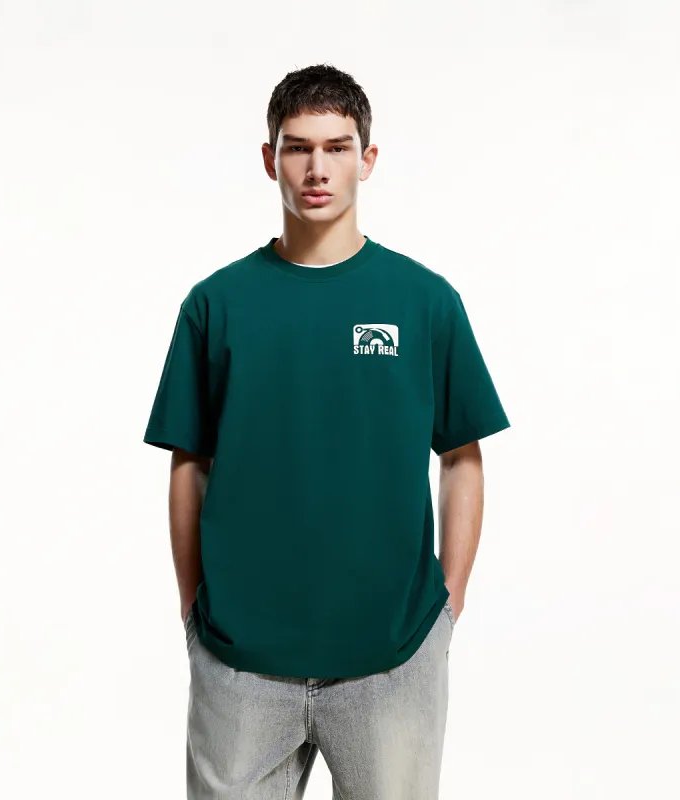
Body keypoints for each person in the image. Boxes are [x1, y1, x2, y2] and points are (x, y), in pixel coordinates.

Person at [142, 63, 511, 799]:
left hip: (392, 658)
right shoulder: (216, 304)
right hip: (240, 661)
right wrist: (193, 611)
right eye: (299, 147)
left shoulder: (424, 301)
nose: (318, 169)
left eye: (337, 148)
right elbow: (190, 464)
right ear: (269, 158)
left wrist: (448, 603)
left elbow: (462, 455)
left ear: (366, 159)